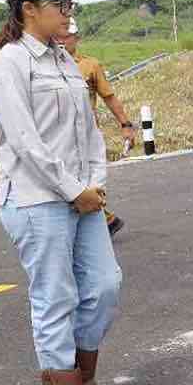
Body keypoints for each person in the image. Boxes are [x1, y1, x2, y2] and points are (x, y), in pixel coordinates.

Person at [0, 0, 123, 385]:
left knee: (105, 285)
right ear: (26, 8)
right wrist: (72, 188)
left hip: (82, 195)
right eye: (58, 4)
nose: (68, 12)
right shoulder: (8, 63)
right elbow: (24, 140)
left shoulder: (63, 59)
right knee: (55, 295)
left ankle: (84, 381)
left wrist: (94, 183)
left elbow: (88, 130)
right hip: (37, 199)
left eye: (68, 3)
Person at [61, 19, 135, 236]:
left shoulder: (89, 66)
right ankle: (105, 219)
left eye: (68, 36)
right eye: (60, 35)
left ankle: (102, 220)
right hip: (59, 137)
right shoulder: (45, 65)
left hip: (86, 137)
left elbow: (109, 97)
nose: (63, 40)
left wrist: (126, 125)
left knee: (86, 183)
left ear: (77, 38)